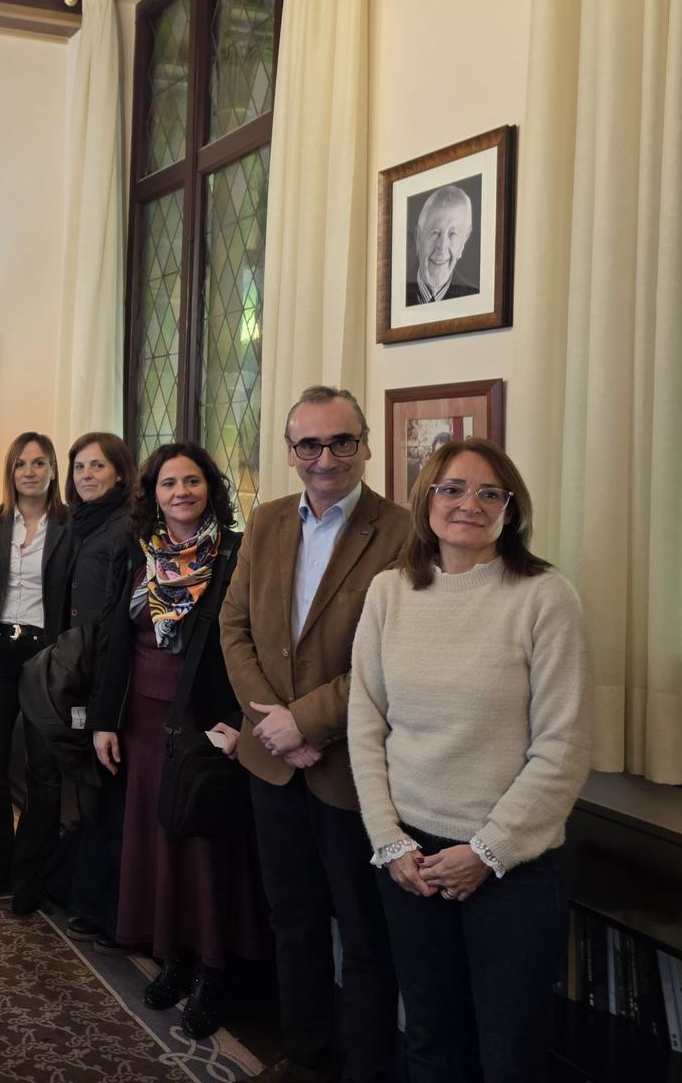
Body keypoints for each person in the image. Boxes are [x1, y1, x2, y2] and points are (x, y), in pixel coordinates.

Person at [350, 438, 590, 1082]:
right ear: (426, 499)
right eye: (452, 489)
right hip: (411, 861)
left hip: (511, 865)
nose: (469, 505)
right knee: (430, 1039)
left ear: (511, 509)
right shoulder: (389, 592)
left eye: (490, 493)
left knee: (508, 1055)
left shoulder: (545, 597)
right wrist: (389, 841)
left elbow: (562, 748)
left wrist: (486, 852)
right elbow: (366, 724)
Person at [221, 385, 410, 1083]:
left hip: (351, 768)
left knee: (364, 932)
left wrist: (308, 723)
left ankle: (364, 1067)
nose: (325, 458)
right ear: (290, 450)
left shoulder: (403, 531)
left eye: (341, 442)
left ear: (366, 446)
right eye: (309, 444)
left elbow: (392, 656)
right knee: (292, 919)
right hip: (271, 762)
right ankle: (305, 1057)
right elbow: (234, 628)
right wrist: (274, 723)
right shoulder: (266, 520)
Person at [88, 442, 260, 1038]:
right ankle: (173, 955)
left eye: (192, 481)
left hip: (204, 722)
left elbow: (251, 644)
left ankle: (213, 969)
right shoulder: (138, 553)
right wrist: (103, 720)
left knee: (203, 848)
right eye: (168, 483)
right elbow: (113, 639)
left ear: (210, 489)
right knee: (155, 841)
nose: (181, 492)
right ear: (152, 495)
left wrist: (238, 721)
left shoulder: (235, 554)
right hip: (140, 720)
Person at [0, 431, 73, 913]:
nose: (29, 472)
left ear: (53, 469)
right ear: (10, 472)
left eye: (39, 463)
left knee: (42, 770)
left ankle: (31, 877)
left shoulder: (71, 526)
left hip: (44, 655)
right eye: (20, 464)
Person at [61, 431, 137, 949]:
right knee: (88, 794)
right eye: (80, 467)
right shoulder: (76, 523)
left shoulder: (127, 526)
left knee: (109, 796)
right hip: (75, 670)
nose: (87, 476)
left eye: (98, 466)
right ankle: (86, 899)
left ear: (120, 473)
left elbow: (118, 614)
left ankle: (115, 913)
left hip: (109, 673)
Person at [406, 185, 477, 306]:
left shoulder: (475, 300)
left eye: (452, 233)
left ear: (464, 240)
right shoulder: (393, 296)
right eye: (435, 232)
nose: (442, 246)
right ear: (418, 237)